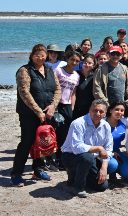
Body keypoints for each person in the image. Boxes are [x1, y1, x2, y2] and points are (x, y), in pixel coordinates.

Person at [12, 44, 61, 186]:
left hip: (48, 113)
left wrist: (53, 106)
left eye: (43, 54)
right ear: (32, 55)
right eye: (37, 54)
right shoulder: (25, 70)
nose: (40, 57)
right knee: (27, 142)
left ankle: (38, 169)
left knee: (43, 142)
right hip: (29, 114)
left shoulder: (50, 69)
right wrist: (38, 111)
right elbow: (24, 93)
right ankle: (16, 173)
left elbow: (57, 89)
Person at [60, 99, 114, 197]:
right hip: (71, 156)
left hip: (91, 158)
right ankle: (77, 187)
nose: (98, 113)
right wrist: (99, 148)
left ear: (105, 113)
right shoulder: (78, 123)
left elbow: (109, 148)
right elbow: (77, 147)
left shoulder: (106, 126)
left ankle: (81, 177)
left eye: (101, 111)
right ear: (90, 110)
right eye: (95, 110)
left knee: (102, 186)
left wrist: (103, 168)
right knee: (87, 157)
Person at [54, 50, 81, 166]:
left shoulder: (76, 75)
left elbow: (73, 93)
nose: (74, 62)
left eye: (77, 61)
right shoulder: (58, 71)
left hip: (67, 105)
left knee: (65, 133)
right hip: (56, 104)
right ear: (67, 59)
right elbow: (52, 88)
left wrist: (72, 107)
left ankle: (62, 158)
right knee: (55, 131)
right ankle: (53, 158)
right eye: (72, 59)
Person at [105, 101, 128, 181]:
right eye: (117, 109)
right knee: (112, 165)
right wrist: (110, 153)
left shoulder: (124, 121)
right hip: (103, 152)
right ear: (110, 110)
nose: (119, 112)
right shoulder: (102, 122)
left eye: (122, 110)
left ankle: (117, 170)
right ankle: (101, 174)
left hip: (117, 152)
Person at [72, 54, 97, 119]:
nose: (87, 64)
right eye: (85, 62)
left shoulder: (95, 77)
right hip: (76, 107)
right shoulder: (76, 74)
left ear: (93, 65)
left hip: (90, 107)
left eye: (89, 63)